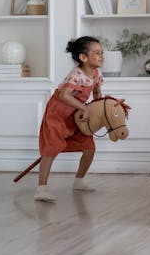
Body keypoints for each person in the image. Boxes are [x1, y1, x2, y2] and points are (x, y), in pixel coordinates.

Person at [35, 36, 104, 202]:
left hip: (76, 114)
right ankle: (41, 188)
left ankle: (79, 181)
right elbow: (64, 95)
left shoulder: (96, 74)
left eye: (102, 53)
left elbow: (96, 94)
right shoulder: (77, 74)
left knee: (89, 148)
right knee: (51, 149)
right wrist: (84, 107)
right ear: (83, 57)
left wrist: (100, 109)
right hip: (58, 113)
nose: (101, 56)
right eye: (96, 53)